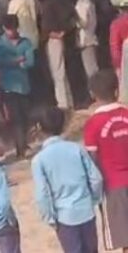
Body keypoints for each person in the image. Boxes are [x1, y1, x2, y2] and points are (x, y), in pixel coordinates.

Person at [31, 107, 103, 253]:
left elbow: (42, 194)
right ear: (64, 125)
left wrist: (49, 218)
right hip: (86, 211)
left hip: (64, 217)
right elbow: (96, 179)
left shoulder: (39, 160)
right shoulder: (77, 149)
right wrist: (93, 200)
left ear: (39, 129)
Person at [83, 70, 128, 252]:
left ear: (92, 94)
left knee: (125, 237)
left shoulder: (92, 124)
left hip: (113, 187)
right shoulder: (127, 113)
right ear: (116, 90)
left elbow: (92, 159)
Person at [0, 15, 36, 158]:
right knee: (15, 117)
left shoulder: (26, 42)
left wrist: (12, 62)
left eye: (13, 29)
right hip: (7, 85)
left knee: (24, 116)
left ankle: (23, 143)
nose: (11, 32)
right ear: (4, 28)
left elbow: (30, 62)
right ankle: (20, 146)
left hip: (23, 85)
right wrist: (17, 60)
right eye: (8, 29)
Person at [73, 0, 101, 80]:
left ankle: (96, 88)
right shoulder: (90, 2)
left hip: (85, 40)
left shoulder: (82, 4)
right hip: (91, 36)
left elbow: (83, 23)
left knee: (90, 69)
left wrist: (74, 19)